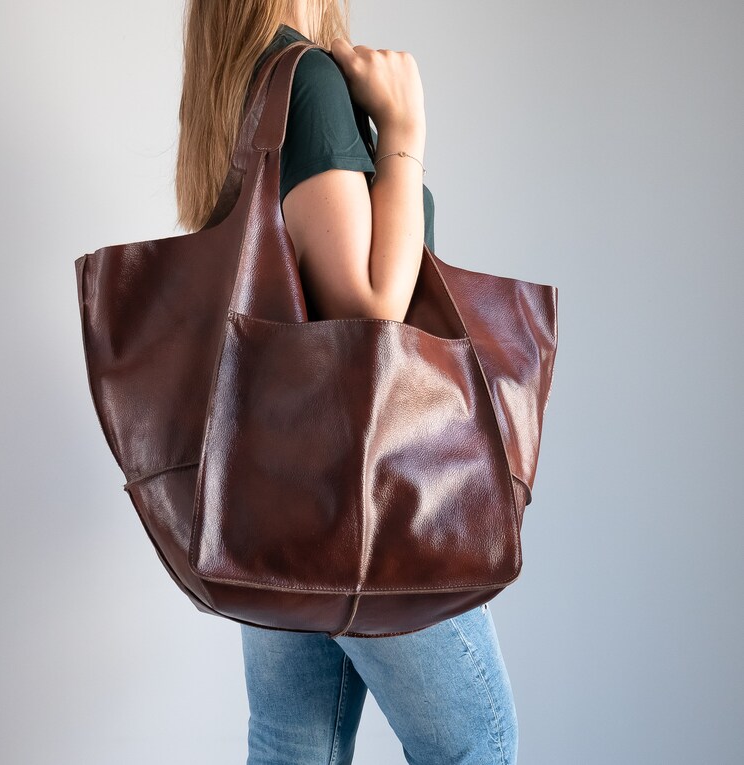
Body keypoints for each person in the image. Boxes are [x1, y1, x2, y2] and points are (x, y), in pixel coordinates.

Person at [175, 2, 519, 763]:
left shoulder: (234, 86)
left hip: (271, 490)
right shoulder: (307, 81)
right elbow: (370, 315)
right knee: (476, 742)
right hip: (368, 487)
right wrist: (403, 136)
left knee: (293, 744)